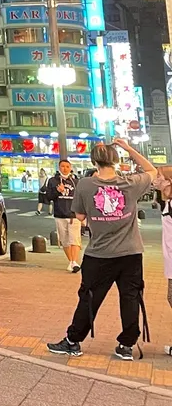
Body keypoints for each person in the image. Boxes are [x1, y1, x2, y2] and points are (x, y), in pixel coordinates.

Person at [48, 139, 158, 360]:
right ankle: (126, 345)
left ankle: (73, 341)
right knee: (130, 297)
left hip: (99, 254)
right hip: (131, 252)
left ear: (94, 161)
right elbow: (151, 170)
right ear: (116, 160)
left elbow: (79, 216)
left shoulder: (85, 185)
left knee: (89, 297)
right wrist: (127, 148)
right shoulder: (130, 183)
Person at [44, 158, 82, 272]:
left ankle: (74, 262)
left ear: (70, 168)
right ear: (59, 167)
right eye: (62, 166)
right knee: (65, 240)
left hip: (73, 215)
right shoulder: (52, 181)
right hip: (60, 214)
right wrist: (58, 191)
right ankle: (70, 261)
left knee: (74, 239)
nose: (65, 168)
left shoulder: (75, 182)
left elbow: (80, 198)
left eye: (67, 166)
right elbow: (48, 197)